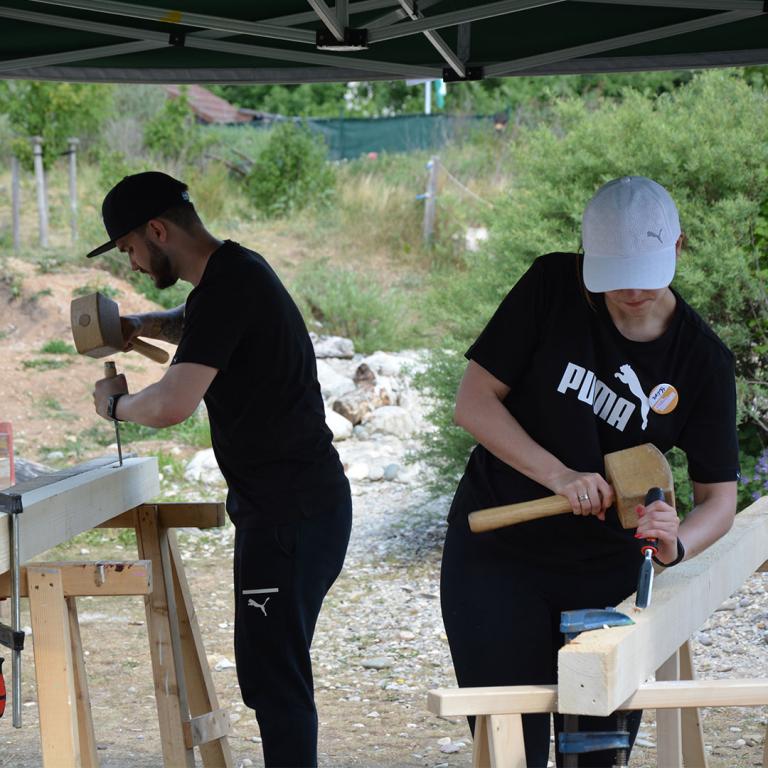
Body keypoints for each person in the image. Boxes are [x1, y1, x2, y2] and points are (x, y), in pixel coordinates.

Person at [440, 176, 739, 767]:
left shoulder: (703, 361)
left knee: (593, 755)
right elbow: (473, 403)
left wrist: (675, 541)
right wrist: (558, 475)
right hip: (501, 559)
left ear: (678, 249)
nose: (630, 290)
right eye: (614, 274)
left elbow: (719, 501)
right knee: (508, 746)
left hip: (608, 577)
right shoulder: (552, 287)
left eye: (646, 272)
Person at [88, 171, 352, 768]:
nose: (130, 261)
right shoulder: (233, 274)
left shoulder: (230, 286)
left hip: (289, 513)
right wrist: (140, 326)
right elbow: (197, 320)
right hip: (297, 506)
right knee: (273, 669)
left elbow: (171, 404)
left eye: (129, 247)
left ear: (158, 230)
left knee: (274, 678)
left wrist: (115, 406)